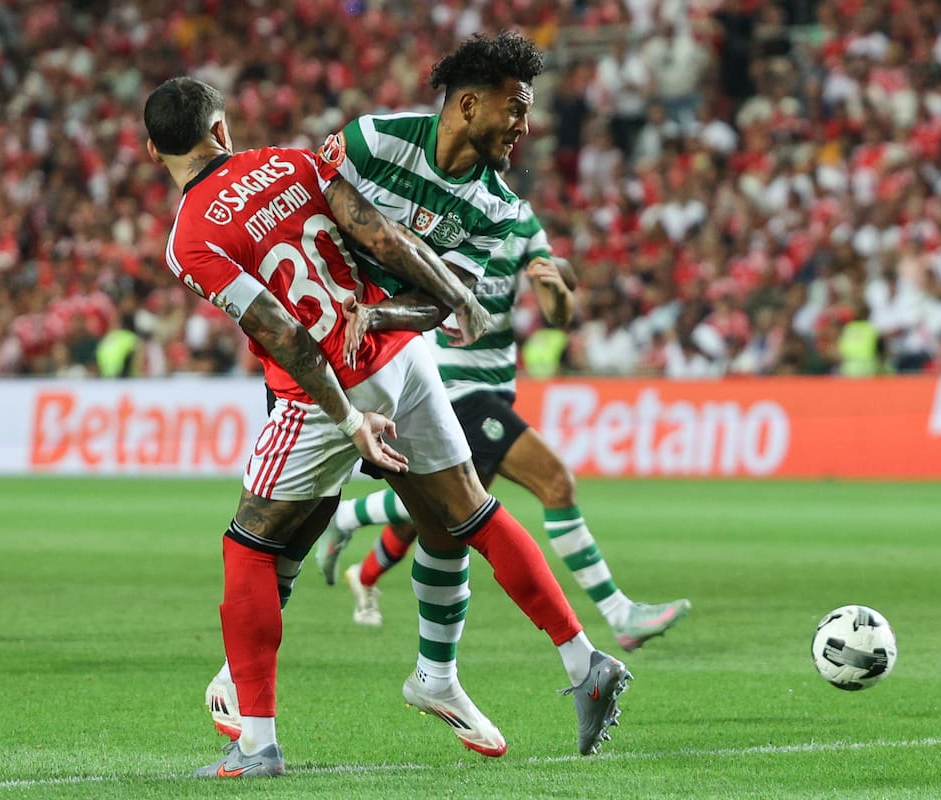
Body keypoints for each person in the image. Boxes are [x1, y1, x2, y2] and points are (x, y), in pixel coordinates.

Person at [192, 31, 631, 767]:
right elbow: (319, 220)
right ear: (468, 103)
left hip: (353, 361)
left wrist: (379, 315)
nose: (525, 124)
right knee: (456, 515)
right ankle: (561, 664)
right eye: (516, 108)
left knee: (265, 536)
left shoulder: (494, 206)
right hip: (357, 358)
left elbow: (438, 302)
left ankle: (253, 708)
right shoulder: (373, 143)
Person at [321, 198, 692, 654]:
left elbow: (559, 313)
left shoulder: (519, 217)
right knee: (556, 483)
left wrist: (553, 286)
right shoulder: (435, 210)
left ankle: (354, 535)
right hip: (453, 385)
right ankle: (619, 614)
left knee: (449, 509)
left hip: (498, 385)